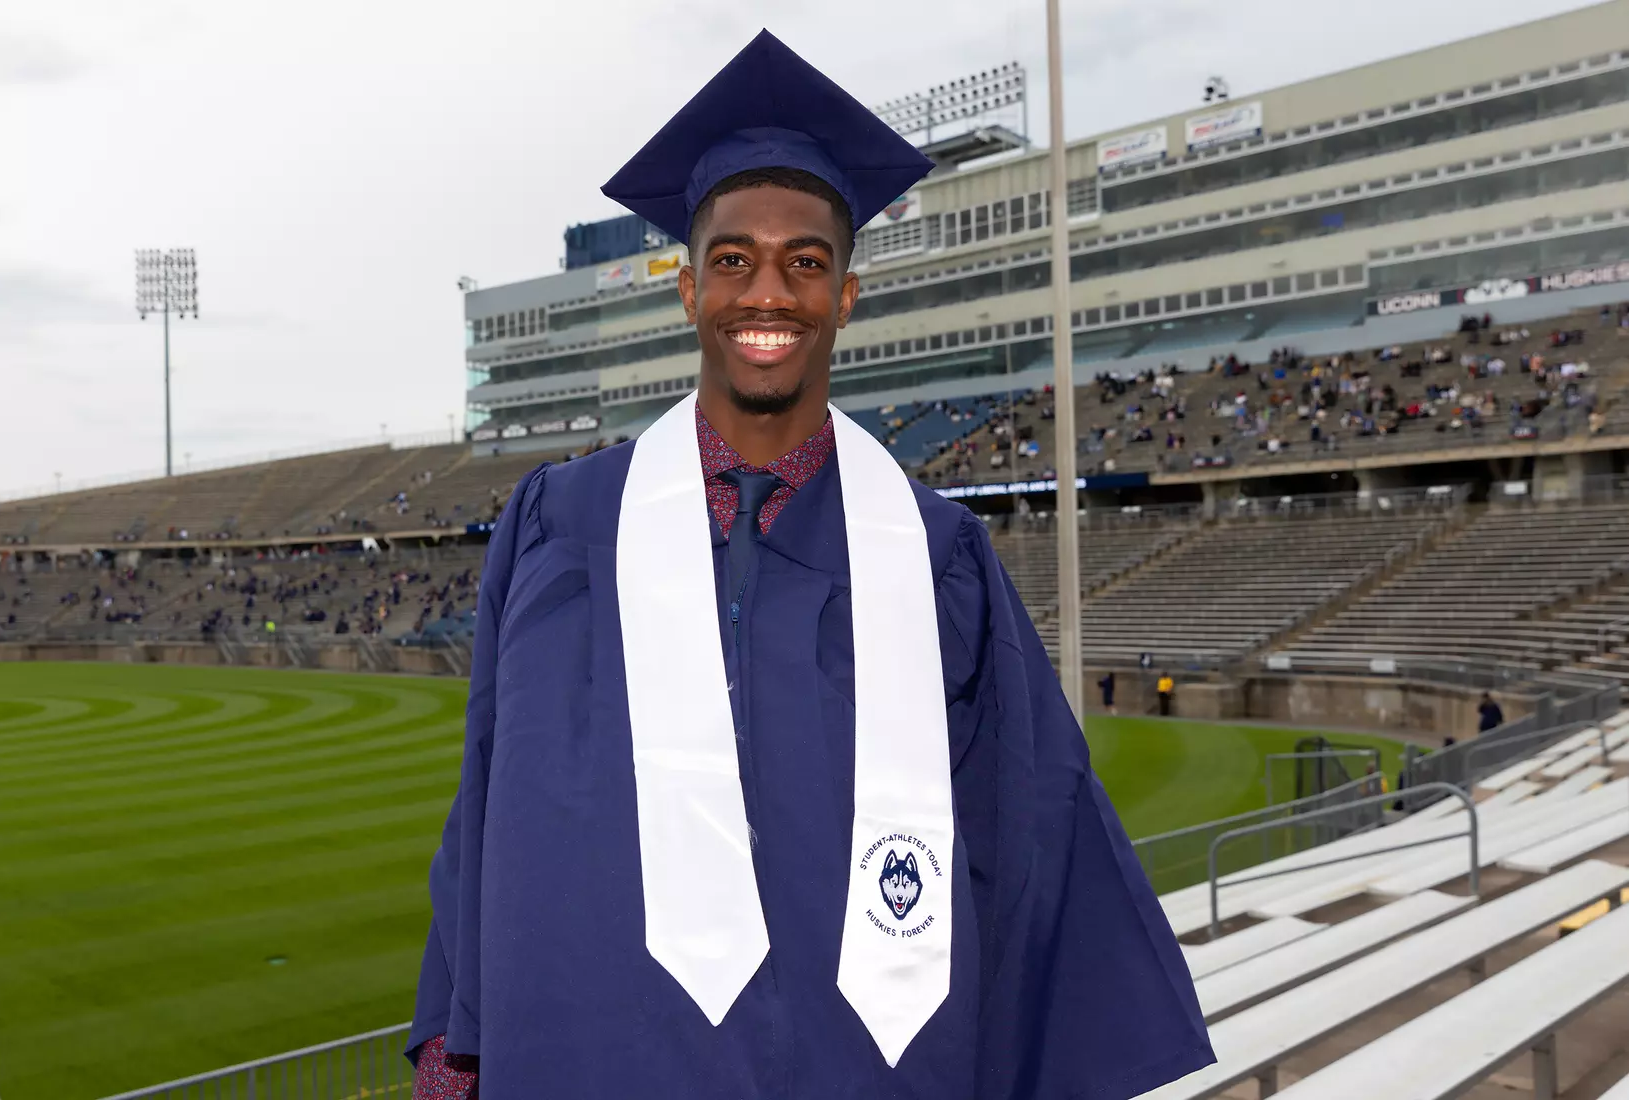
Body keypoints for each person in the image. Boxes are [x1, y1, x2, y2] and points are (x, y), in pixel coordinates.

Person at [407, 30, 1210, 1100]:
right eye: (733, 259)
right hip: (597, 1055)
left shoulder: (937, 557)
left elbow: (1028, 832)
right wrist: (451, 1045)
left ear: (846, 296)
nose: (768, 291)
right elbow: (487, 799)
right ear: (688, 290)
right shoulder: (560, 523)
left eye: (806, 262)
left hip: (862, 1068)